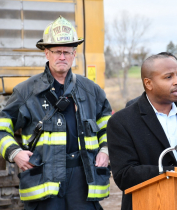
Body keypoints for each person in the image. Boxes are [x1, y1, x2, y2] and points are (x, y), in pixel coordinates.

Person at [0, 16, 111, 210]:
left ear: (74, 54)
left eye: (67, 52)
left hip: (82, 178)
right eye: (57, 52)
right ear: (46, 53)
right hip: (44, 178)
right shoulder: (26, 91)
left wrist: (105, 150)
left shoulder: (91, 90)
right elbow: (2, 126)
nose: (62, 57)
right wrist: (14, 152)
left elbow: (109, 125)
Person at [107, 54, 177, 210]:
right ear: (149, 83)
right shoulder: (122, 122)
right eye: (168, 77)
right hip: (149, 204)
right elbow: (124, 175)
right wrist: (173, 172)